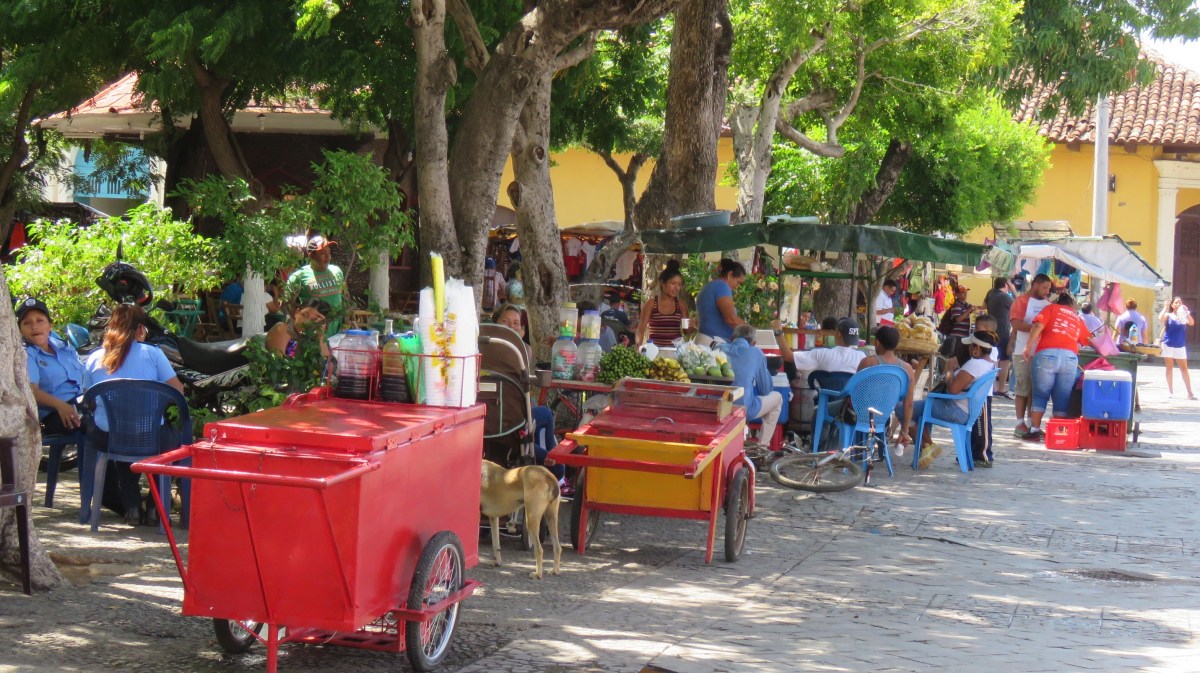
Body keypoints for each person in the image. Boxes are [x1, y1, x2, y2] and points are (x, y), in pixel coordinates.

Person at [83, 304, 184, 524]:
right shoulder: (154, 354)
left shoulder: (94, 357)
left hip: (109, 439)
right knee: (171, 439)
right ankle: (156, 507)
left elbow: (87, 399)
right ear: (140, 329)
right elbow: (177, 391)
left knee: (121, 435)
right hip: (151, 437)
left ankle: (132, 507)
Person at [908, 330, 998, 467]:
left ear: (977, 348)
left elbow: (953, 390)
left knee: (904, 409)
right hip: (966, 410)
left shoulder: (975, 364)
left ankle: (928, 446)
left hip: (955, 409)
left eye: (971, 345)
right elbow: (964, 382)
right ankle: (926, 446)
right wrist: (957, 371)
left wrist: (949, 370)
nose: (968, 348)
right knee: (916, 410)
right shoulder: (989, 364)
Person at [1022, 293, 1091, 440]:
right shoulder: (1076, 317)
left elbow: (1038, 325)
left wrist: (1028, 347)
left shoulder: (1051, 308)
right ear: (1071, 305)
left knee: (1040, 395)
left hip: (1047, 355)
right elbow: (1087, 339)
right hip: (1070, 358)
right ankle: (1059, 434)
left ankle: (1034, 431)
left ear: (1058, 301)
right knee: (1063, 397)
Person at [17, 298, 85, 435]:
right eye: (27, 323)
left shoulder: (64, 347)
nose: (34, 327)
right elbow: (31, 391)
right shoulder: (27, 355)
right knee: (99, 425)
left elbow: (84, 375)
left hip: (82, 404)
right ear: (20, 330)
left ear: (50, 325)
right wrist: (60, 405)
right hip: (55, 414)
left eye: (40, 320)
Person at [721, 325, 783, 453]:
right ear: (753, 343)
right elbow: (765, 390)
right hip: (743, 410)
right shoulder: (756, 353)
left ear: (731, 338)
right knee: (777, 398)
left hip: (718, 407)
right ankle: (762, 448)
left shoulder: (718, 348)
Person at [857, 325, 914, 456]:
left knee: (822, 410)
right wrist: (904, 432)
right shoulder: (907, 369)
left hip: (859, 415)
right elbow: (909, 404)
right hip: (884, 418)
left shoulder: (867, 362)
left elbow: (855, 390)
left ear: (877, 342)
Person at [1009, 273, 1052, 438]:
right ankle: (1019, 423)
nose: (1047, 291)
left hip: (1041, 352)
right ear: (1035, 285)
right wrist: (1036, 329)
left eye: (1048, 288)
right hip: (1022, 351)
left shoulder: (1048, 304)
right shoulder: (1021, 301)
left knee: (1035, 390)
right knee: (1022, 388)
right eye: (1044, 288)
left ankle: (1031, 424)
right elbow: (1015, 323)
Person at [287, 234, 344, 335]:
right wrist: (297, 331)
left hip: (337, 332)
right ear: (311, 255)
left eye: (329, 252)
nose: (328, 257)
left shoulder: (337, 271)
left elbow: (341, 296)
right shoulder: (298, 277)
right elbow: (288, 306)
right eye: (323, 253)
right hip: (314, 334)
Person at [776, 317, 865, 375]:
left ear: (838, 334)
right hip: (852, 399)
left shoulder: (822, 354)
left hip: (826, 398)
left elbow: (788, 356)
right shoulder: (861, 357)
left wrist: (778, 331)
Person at [696, 258, 747, 344]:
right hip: (713, 342)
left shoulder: (711, 286)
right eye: (738, 282)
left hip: (706, 340)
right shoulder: (722, 286)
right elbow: (731, 319)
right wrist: (751, 331)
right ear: (730, 275)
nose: (737, 286)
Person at [638, 260, 687, 347]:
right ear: (662, 283)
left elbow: (686, 331)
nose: (676, 288)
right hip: (655, 351)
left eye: (679, 284)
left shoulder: (681, 305)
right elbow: (641, 330)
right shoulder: (651, 304)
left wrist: (694, 324)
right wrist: (638, 346)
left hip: (676, 352)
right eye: (673, 283)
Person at [266, 299, 331, 359]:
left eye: (315, 320)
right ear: (297, 312)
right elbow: (281, 361)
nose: (307, 322)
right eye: (305, 315)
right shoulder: (284, 330)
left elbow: (325, 362)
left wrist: (321, 336)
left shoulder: (314, 339)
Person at [984, 277, 1015, 398]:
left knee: (992, 358)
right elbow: (1019, 305)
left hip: (990, 330)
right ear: (1006, 285)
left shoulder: (990, 293)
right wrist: (1013, 290)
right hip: (1002, 331)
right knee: (1005, 360)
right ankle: (1001, 388)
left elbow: (983, 305)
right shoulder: (1005, 297)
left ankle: (993, 387)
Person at [1160, 296, 1195, 399]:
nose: (1178, 304)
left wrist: (1187, 312)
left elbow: (1192, 323)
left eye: (1180, 302)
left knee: (1184, 369)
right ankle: (1170, 391)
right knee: (1169, 368)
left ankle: (1190, 392)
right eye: (1176, 302)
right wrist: (1165, 307)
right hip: (1168, 344)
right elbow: (1160, 318)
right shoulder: (1169, 315)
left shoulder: (1183, 316)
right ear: (1172, 305)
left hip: (1180, 345)